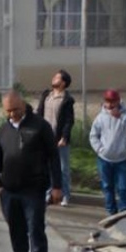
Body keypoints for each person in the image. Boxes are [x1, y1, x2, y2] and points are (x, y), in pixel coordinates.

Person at [0, 89, 62, 252]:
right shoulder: (4, 130)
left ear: (23, 105)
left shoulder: (40, 126)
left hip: (33, 190)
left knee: (35, 230)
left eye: (15, 109)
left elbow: (53, 157)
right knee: (16, 231)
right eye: (8, 111)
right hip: (9, 192)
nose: (12, 114)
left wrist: (57, 186)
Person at [88, 89, 126, 215]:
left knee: (123, 188)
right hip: (104, 159)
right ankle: (111, 212)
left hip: (122, 159)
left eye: (113, 101)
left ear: (118, 101)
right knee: (107, 187)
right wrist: (100, 149)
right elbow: (93, 135)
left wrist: (121, 117)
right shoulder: (100, 117)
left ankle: (125, 213)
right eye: (107, 101)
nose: (110, 105)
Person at [36, 69, 76, 206]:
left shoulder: (67, 100)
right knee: (46, 167)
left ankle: (64, 195)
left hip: (59, 140)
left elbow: (69, 121)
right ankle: (49, 195)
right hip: (45, 138)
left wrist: (64, 137)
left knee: (63, 168)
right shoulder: (47, 95)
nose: (54, 78)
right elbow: (39, 114)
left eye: (57, 77)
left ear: (63, 83)